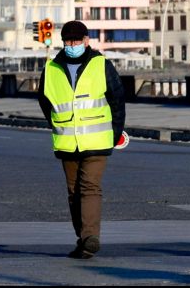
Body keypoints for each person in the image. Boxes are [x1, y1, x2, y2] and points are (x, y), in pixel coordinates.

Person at [37, 20, 125, 259]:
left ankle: (89, 236)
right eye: (68, 41)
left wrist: (115, 133)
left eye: (77, 40)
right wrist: (57, 124)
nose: (72, 45)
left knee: (90, 187)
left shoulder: (100, 65)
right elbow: (45, 102)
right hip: (67, 140)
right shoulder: (52, 69)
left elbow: (117, 99)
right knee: (73, 192)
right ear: (63, 42)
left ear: (87, 40)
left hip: (97, 141)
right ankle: (84, 239)